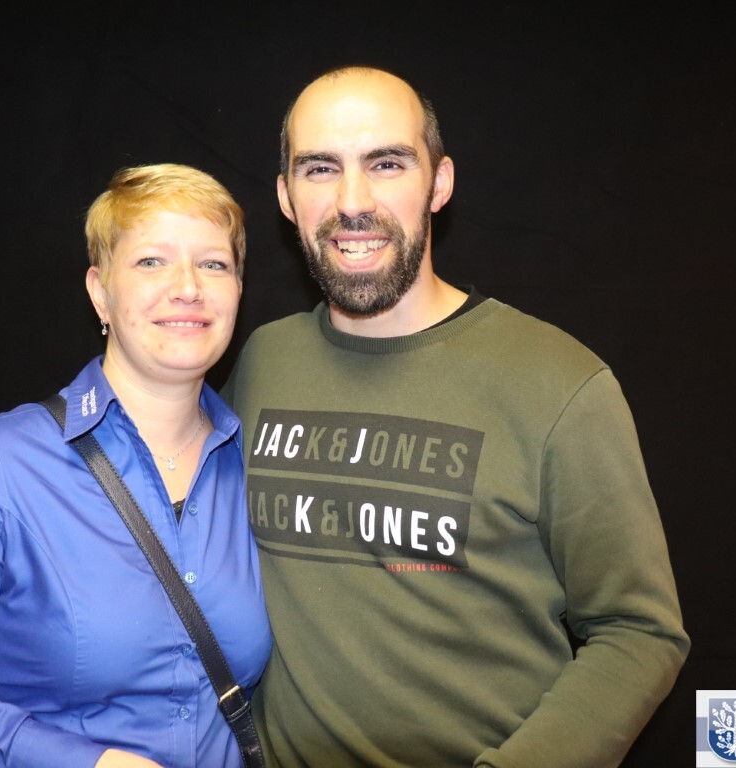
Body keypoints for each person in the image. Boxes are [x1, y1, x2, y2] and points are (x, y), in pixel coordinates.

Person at [222, 66, 690, 768]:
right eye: (320, 168)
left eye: (387, 163)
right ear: (287, 198)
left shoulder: (560, 384)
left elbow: (639, 632)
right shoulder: (262, 361)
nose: (353, 201)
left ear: (439, 183)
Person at [0, 163, 271, 768]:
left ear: (238, 290)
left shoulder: (253, 464)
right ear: (100, 292)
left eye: (214, 264)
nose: (188, 287)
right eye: (152, 261)